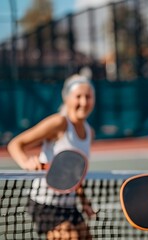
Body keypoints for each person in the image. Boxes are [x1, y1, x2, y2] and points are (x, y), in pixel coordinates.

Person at [7, 74, 96, 239]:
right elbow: (15, 144)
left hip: (68, 203)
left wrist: (83, 200)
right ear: (67, 98)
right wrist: (26, 162)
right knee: (71, 236)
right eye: (78, 96)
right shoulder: (59, 123)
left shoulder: (90, 132)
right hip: (45, 202)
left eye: (88, 96)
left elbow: (75, 174)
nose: (84, 102)